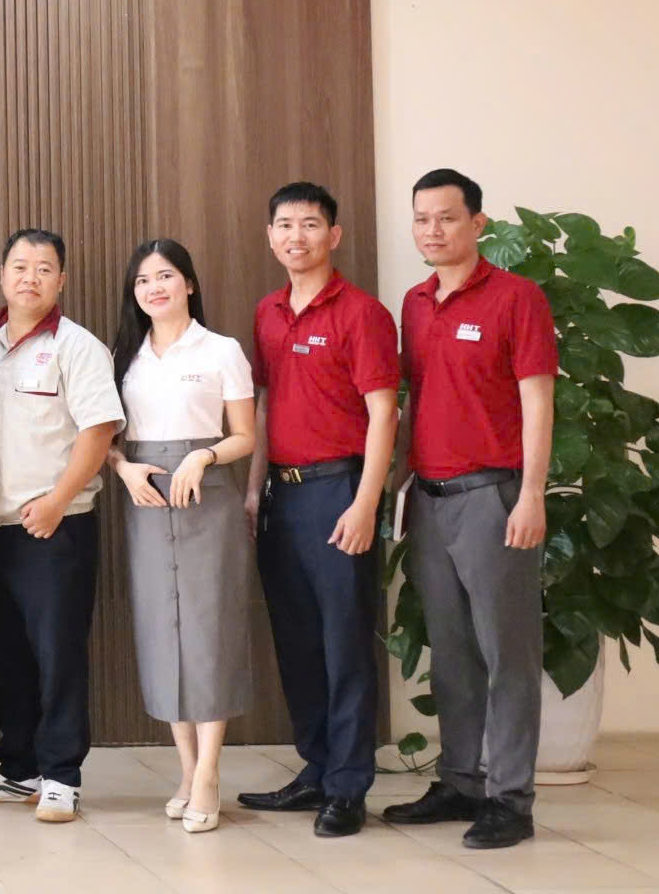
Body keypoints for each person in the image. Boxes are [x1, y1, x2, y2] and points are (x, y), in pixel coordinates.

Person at [383, 168, 555, 851]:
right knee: (452, 651)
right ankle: (461, 782)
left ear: (478, 223)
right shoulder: (416, 302)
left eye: (447, 217)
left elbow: (538, 401)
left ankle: (511, 800)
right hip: (430, 499)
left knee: (506, 651)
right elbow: (417, 400)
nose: (432, 230)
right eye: (422, 218)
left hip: (494, 497)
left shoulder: (517, 298)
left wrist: (532, 493)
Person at [238, 182, 398, 838]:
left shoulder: (362, 313)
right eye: (284, 224)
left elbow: (384, 413)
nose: (295, 236)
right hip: (283, 494)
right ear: (270, 236)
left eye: (309, 224)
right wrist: (254, 490)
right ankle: (317, 767)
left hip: (340, 491)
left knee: (344, 642)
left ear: (333, 235)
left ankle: (349, 786)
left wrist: (366, 503)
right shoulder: (268, 312)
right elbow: (265, 404)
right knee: (298, 641)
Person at [0, 229, 123, 825]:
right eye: (19, 266)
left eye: (43, 268)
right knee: (3, 653)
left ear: (61, 280)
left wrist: (57, 501)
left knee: (57, 654)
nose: (29, 277)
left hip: (55, 527)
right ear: (2, 275)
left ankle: (61, 776)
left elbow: (98, 430)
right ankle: (19, 769)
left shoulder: (77, 347)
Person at [106, 239, 256, 834]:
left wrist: (204, 456)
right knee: (162, 631)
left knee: (207, 628)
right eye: (143, 280)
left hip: (206, 497)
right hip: (145, 500)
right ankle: (187, 770)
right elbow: (103, 437)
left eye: (166, 276)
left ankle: (211, 773)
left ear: (189, 283)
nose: (155, 288)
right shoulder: (124, 355)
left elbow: (245, 435)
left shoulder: (221, 350)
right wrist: (122, 468)